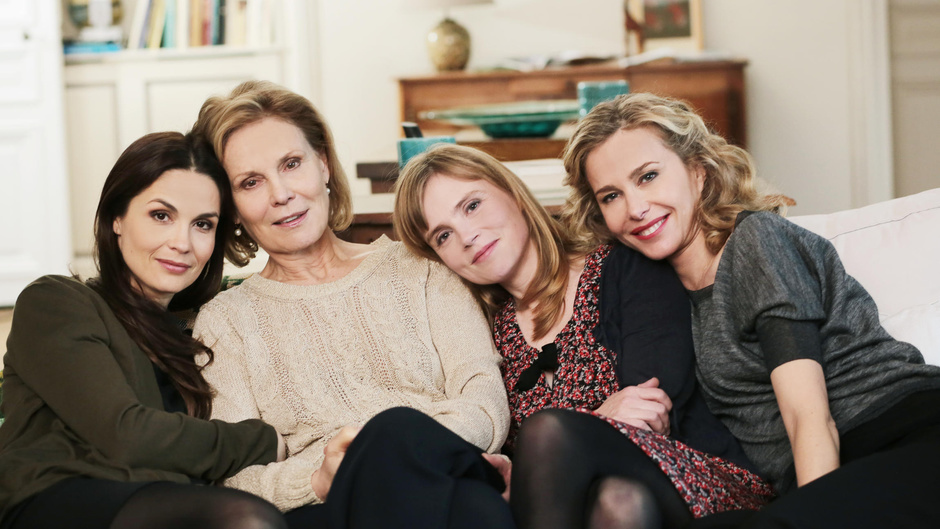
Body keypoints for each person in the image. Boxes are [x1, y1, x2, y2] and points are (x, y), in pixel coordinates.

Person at [563, 92, 940, 528]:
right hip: (822, 477)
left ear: (698, 171)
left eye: (648, 176)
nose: (635, 208)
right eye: (611, 195)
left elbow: (809, 418)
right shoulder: (654, 297)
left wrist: (813, 514)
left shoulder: (756, 242)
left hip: (901, 435)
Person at [393, 143, 774, 529]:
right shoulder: (486, 335)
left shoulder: (623, 267)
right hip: (597, 508)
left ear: (513, 194)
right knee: (617, 502)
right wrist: (593, 421)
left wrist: (546, 452)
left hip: (700, 478)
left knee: (555, 438)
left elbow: (654, 404)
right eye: (443, 236)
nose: (466, 236)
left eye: (472, 206)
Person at [190, 81, 515, 528]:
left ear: (323, 164)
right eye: (251, 182)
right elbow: (234, 478)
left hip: (444, 481)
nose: (281, 193)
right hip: (329, 511)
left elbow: (484, 402)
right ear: (231, 207)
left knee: (398, 435)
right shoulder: (226, 323)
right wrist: (318, 477)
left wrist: (399, 447)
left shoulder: (422, 268)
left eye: (291, 164)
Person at [0, 132, 291, 529]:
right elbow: (125, 435)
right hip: (57, 497)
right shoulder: (56, 302)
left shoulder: (205, 329)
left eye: (202, 224)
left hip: (163, 501)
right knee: (243, 519)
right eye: (161, 216)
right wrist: (263, 441)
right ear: (116, 219)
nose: (182, 243)